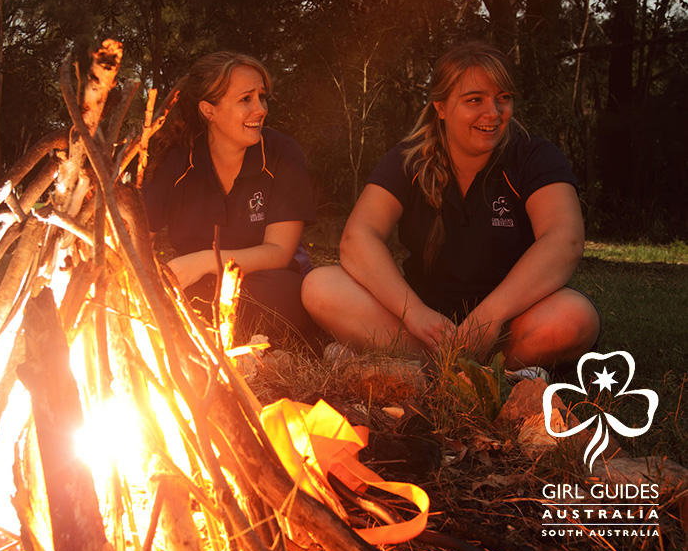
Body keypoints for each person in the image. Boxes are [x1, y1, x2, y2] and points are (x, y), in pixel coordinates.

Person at [301, 42, 600, 370]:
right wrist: (414, 315)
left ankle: (447, 368)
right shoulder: (408, 160)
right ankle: (458, 367)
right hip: (424, 326)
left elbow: (564, 239)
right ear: (440, 107)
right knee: (320, 287)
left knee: (575, 317)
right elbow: (358, 239)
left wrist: (489, 317)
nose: (494, 113)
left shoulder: (534, 156)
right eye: (475, 100)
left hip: (510, 321)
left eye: (503, 98)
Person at [141, 51, 318, 348]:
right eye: (245, 99)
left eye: (261, 97)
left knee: (280, 297)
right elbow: (136, 235)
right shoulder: (177, 160)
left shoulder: (281, 153)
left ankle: (220, 338)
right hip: (197, 285)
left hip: (265, 283)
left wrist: (202, 262)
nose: (260, 109)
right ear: (209, 111)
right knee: (165, 297)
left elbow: (278, 252)